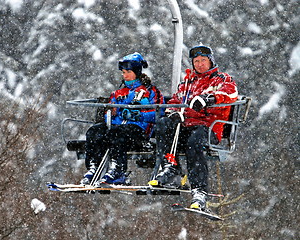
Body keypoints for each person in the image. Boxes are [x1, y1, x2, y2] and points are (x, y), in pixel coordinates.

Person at [149, 45, 238, 211]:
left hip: (209, 127)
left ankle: (199, 190)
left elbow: (230, 94)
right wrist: (174, 113)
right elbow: (176, 100)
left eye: (203, 60)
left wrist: (208, 99)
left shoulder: (221, 79)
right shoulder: (188, 82)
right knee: (163, 124)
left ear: (211, 61)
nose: (200, 64)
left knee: (195, 140)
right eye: (196, 61)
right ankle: (171, 168)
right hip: (187, 125)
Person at [80, 52, 164, 185]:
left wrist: (139, 115)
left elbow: (159, 113)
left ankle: (118, 170)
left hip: (139, 130)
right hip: (118, 127)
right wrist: (110, 113)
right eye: (123, 72)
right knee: (94, 131)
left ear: (136, 72)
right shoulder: (119, 93)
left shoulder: (151, 91)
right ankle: (93, 166)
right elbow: (112, 110)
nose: (125, 76)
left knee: (117, 133)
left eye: (128, 72)